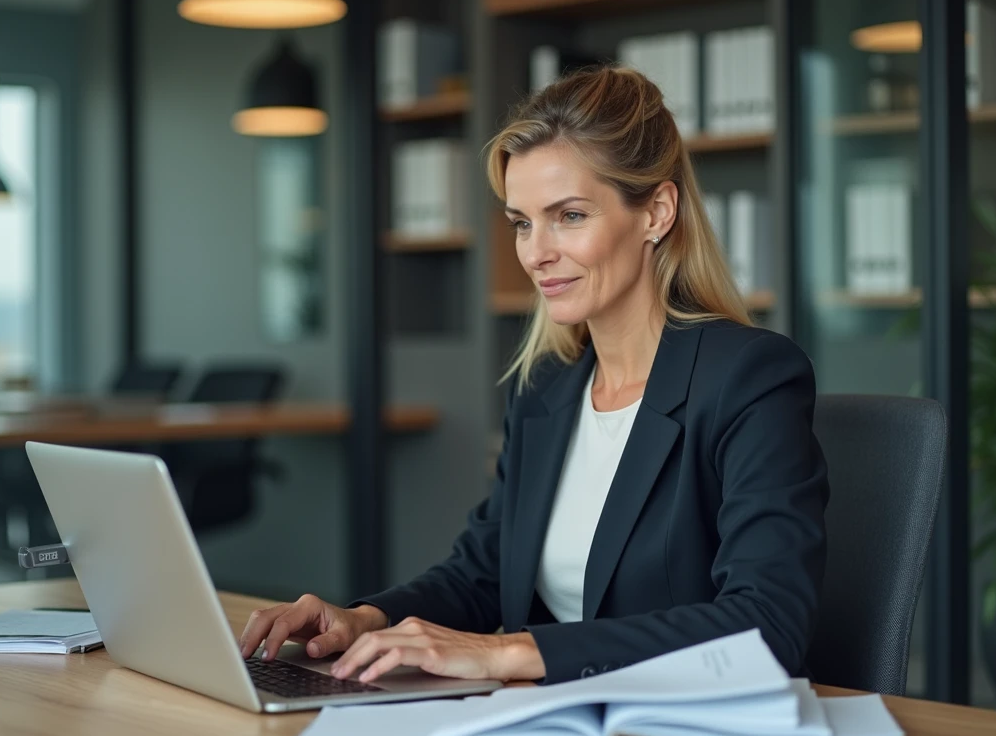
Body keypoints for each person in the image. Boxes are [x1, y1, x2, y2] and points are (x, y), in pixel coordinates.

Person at [240, 65, 829, 686]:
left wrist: (509, 653)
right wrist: (365, 618)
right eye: (522, 221)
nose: (535, 252)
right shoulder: (549, 385)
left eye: (569, 216)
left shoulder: (750, 377)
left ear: (656, 212)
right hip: (555, 729)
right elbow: (485, 570)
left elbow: (768, 627)